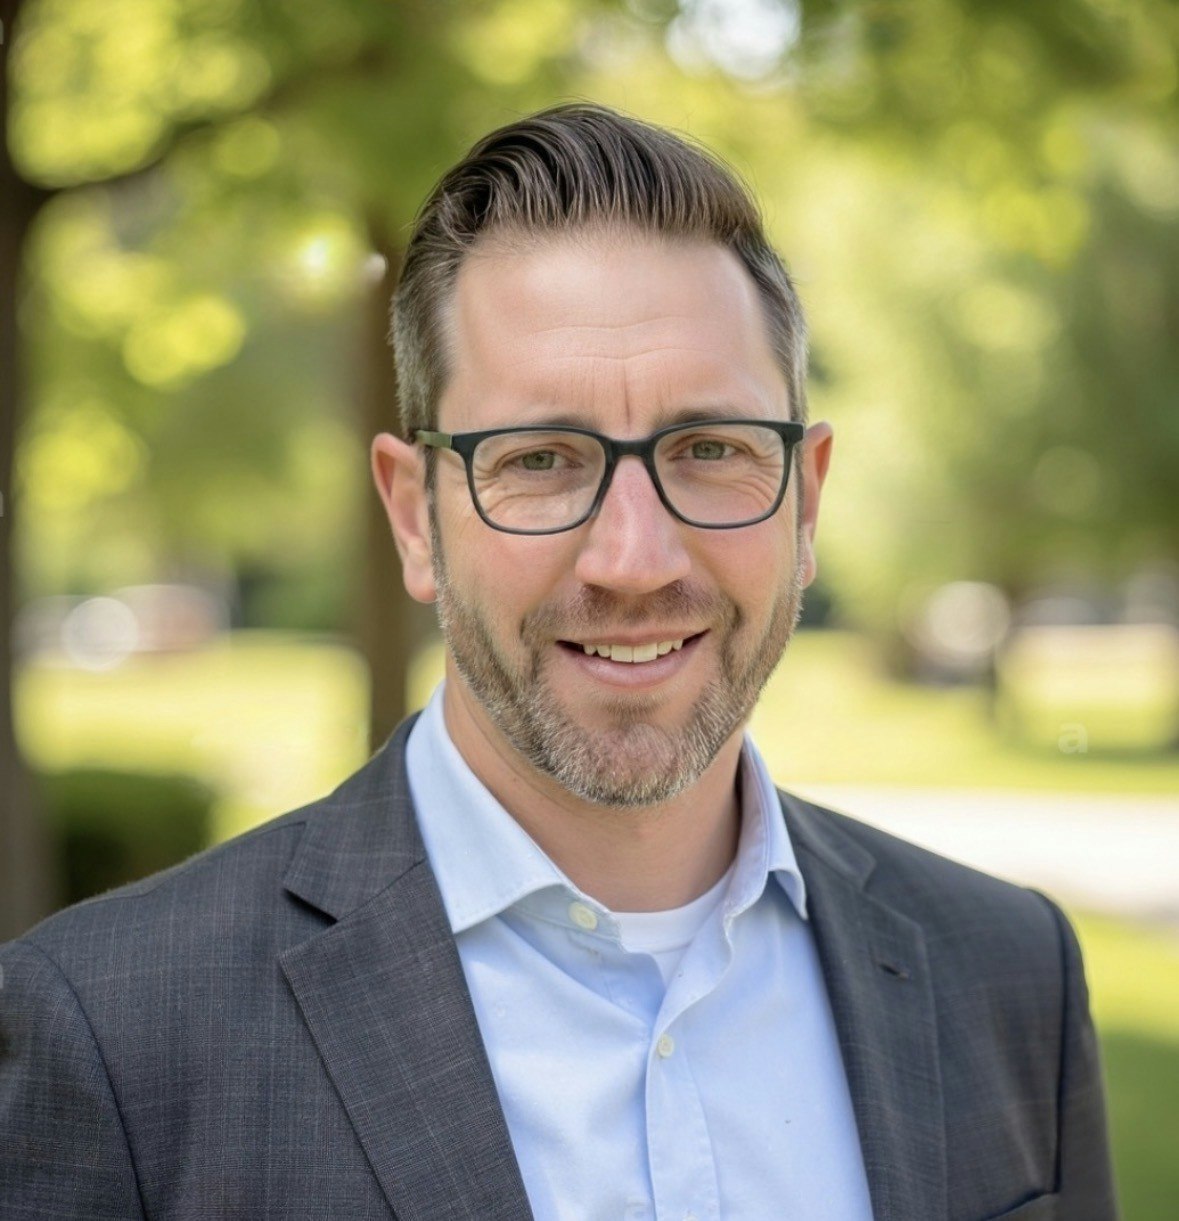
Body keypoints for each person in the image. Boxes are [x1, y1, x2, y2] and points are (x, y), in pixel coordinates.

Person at [0, 105, 1116, 1221]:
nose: (635, 560)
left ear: (805, 501)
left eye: (710, 448)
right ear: (414, 517)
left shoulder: (1010, 974)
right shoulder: (111, 1038)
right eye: (540, 459)